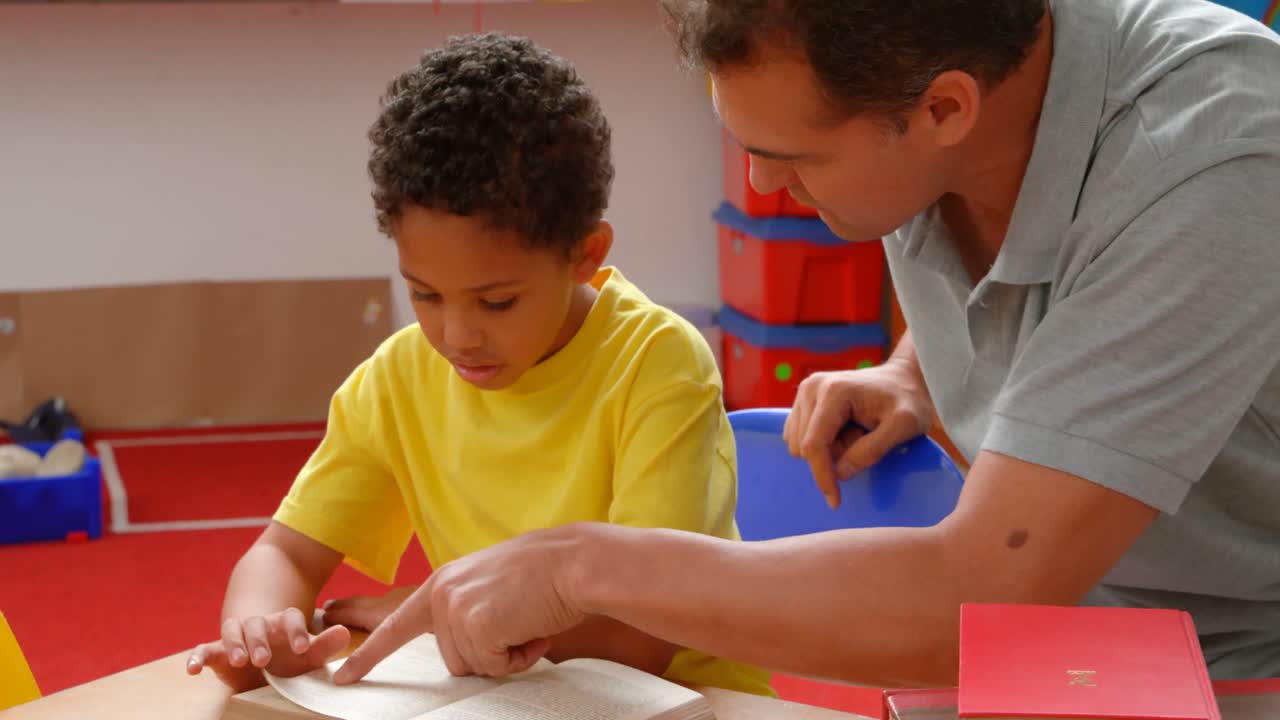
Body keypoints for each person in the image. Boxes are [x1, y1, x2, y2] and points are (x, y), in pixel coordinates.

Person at [333, 0, 1280, 688]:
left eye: (793, 156)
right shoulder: (941, 102)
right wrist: (916, 369)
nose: (760, 179)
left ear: (945, 111)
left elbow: (984, 594)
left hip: (1235, 658)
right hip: (1073, 643)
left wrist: (578, 565)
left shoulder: (1211, 158)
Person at [183, 32, 771, 697]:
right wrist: (258, 627)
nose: (456, 335)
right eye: (425, 294)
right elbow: (285, 551)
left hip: (696, 702)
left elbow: (641, 637)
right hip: (501, 694)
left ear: (584, 253)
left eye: (497, 301)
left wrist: (442, 619)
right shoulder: (398, 379)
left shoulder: (657, 365)